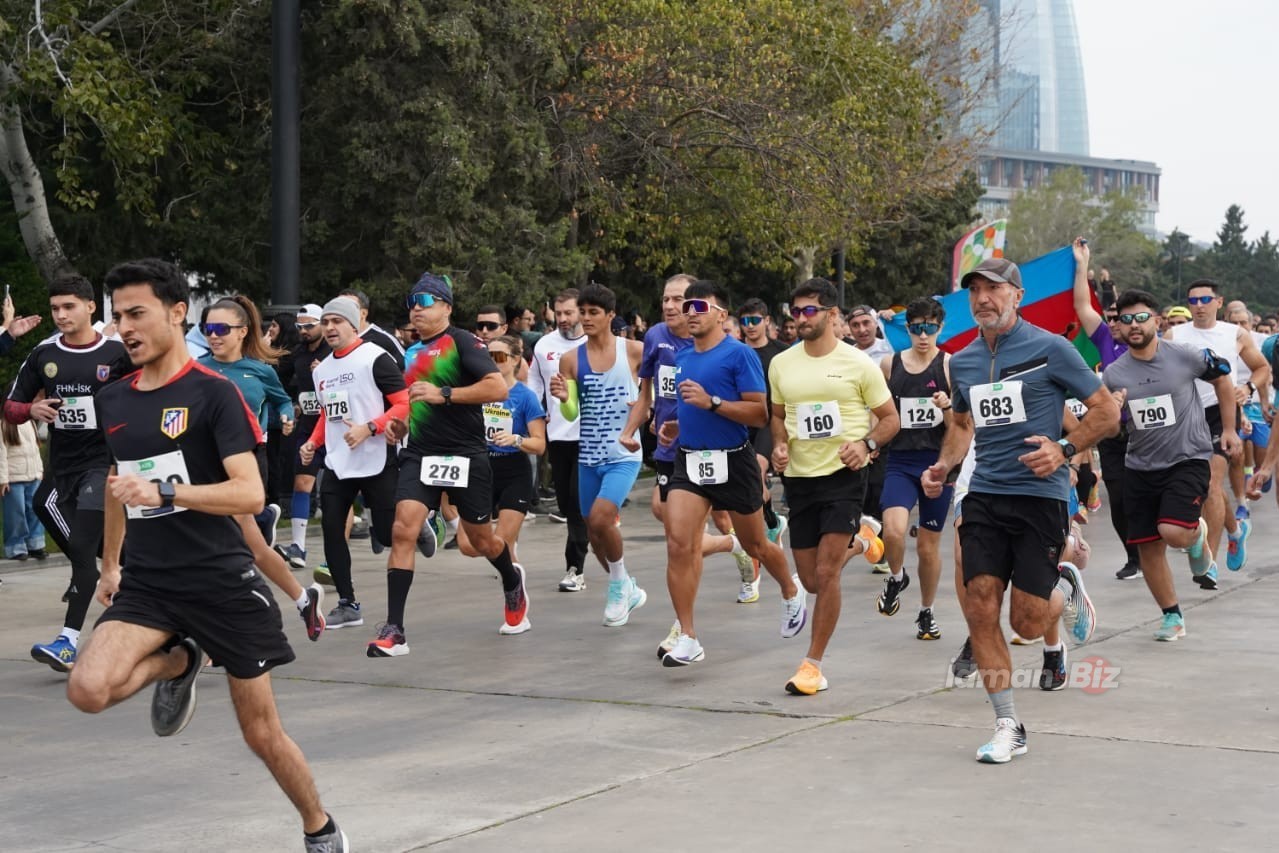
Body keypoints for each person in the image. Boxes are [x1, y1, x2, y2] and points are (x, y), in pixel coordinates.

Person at [65, 258, 349, 851]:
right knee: (86, 689)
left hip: (220, 582)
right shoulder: (113, 399)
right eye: (119, 317)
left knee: (262, 734)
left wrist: (167, 490)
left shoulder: (214, 394)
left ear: (176, 313)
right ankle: (180, 661)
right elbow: (120, 485)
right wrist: (111, 565)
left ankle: (319, 828)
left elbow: (248, 492)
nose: (127, 328)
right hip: (148, 583)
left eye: (138, 313)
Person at [922, 256, 1119, 764]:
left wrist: (1065, 450)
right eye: (975, 291)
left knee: (1028, 623)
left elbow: (1106, 411)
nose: (983, 298)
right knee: (980, 603)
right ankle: (1008, 723)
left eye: (994, 289)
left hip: (1040, 496)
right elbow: (963, 425)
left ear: (1017, 295)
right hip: (985, 494)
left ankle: (1061, 584)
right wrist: (944, 466)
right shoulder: (961, 360)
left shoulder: (1050, 348)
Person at [657, 280, 806, 668]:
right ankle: (688, 636)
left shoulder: (739, 355)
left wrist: (713, 403)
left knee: (756, 544)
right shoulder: (685, 357)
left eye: (699, 306)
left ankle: (791, 590)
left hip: (733, 459)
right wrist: (675, 425)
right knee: (678, 544)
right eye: (686, 305)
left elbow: (758, 414)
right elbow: (690, 407)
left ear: (722, 314)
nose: (690, 312)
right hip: (689, 461)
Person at [374, 273, 522, 655]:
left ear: (446, 307)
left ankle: (510, 578)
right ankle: (394, 630)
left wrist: (445, 393)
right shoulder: (410, 352)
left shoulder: (462, 342)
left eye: (424, 301)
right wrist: (400, 424)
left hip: (464, 455)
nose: (415, 309)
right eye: (411, 301)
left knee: (480, 540)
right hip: (420, 453)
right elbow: (417, 400)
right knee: (403, 528)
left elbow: (498, 388)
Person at [768, 279, 897, 694]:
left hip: (843, 477)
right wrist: (780, 446)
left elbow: (890, 418)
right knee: (810, 580)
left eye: (809, 311)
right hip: (800, 479)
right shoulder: (782, 364)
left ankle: (812, 665)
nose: (800, 318)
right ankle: (862, 541)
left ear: (831, 315)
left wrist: (866, 444)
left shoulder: (859, 364)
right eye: (796, 311)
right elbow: (777, 414)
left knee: (827, 572)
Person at [5, 273, 132, 671]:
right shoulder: (44, 354)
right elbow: (11, 405)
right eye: (55, 308)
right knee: (92, 546)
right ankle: (166, 582)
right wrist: (31, 410)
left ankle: (68, 641)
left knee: (80, 549)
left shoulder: (117, 352)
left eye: (69, 307)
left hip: (103, 465)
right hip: (60, 470)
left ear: (91, 307)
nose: (60, 315)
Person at [1103, 289, 1238, 640]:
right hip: (1140, 465)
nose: (1133, 325)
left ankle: (1196, 537)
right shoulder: (1114, 374)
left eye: (1141, 317)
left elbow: (1223, 377)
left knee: (1173, 532)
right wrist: (1112, 409)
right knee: (1148, 545)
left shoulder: (1184, 355)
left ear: (1156, 320)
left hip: (1188, 458)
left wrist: (1227, 429)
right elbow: (1111, 424)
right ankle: (1171, 616)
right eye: (1125, 319)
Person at [620, 274, 760, 613]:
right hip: (674, 447)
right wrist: (629, 430)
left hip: (716, 445)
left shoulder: (713, 344)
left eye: (680, 300)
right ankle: (687, 618)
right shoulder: (655, 337)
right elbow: (647, 394)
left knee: (707, 527)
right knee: (675, 533)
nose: (672, 307)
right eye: (666, 300)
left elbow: (750, 405)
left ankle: (743, 552)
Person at [198, 296, 325, 642]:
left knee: (224, 551)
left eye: (221, 329)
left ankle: (214, 636)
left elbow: (282, 398)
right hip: (201, 468)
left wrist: (285, 415)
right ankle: (303, 600)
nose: (213, 335)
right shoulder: (195, 368)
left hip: (244, 466)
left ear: (242, 332)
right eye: (207, 329)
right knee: (252, 549)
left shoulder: (259, 370)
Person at [297, 298, 409, 631]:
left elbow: (403, 404)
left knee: (389, 537)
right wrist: (312, 444)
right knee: (332, 530)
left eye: (337, 321)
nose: (330, 328)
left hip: (376, 459)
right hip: (338, 462)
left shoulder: (375, 359)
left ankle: (423, 524)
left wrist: (370, 428)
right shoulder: (323, 369)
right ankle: (348, 603)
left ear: (353, 324)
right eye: (326, 322)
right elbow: (327, 418)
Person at [549, 284, 647, 627]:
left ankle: (619, 585)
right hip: (588, 454)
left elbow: (649, 397)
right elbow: (574, 412)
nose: (586, 319)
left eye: (593, 313)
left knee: (604, 518)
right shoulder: (571, 359)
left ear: (609, 316)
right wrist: (563, 396)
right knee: (593, 532)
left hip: (623, 453)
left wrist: (641, 415)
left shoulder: (634, 351)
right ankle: (625, 584)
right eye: (583, 312)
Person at [1164, 279, 1270, 579]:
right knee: (1201, 486)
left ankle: (1208, 563)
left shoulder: (1235, 333)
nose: (1199, 306)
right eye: (1193, 301)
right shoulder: (1174, 334)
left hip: (1220, 414)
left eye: (1205, 300)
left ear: (1218, 302)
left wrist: (1247, 388)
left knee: (1211, 484)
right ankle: (1236, 531)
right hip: (1184, 415)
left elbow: (1262, 368)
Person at [1067, 237, 1143, 580]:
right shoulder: (1105, 343)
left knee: (1146, 493)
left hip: (1149, 434)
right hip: (1113, 433)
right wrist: (1082, 264)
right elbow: (1083, 307)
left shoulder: (1151, 347)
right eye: (1110, 318)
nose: (1114, 323)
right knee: (1121, 496)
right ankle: (1133, 557)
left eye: (1121, 318)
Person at [877, 296, 952, 640]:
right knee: (892, 531)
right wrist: (872, 441)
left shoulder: (949, 365)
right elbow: (880, 411)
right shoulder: (889, 365)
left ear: (940, 328)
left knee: (927, 546)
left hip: (937, 464)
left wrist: (947, 407)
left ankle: (927, 611)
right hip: (901, 461)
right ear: (907, 329)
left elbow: (962, 424)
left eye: (930, 329)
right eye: (917, 329)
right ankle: (895, 577)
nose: (923, 336)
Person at [451, 335, 545, 595]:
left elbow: (539, 445)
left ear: (515, 360)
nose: (492, 361)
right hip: (479, 469)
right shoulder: (475, 391)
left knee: (503, 542)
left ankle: (515, 599)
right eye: (487, 356)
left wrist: (516, 440)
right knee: (468, 546)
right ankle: (508, 550)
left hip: (514, 470)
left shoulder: (525, 397)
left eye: (499, 356)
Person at [527, 289, 590, 590]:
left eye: (570, 313)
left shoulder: (596, 342)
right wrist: (537, 412)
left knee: (577, 503)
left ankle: (574, 569)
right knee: (566, 503)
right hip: (558, 436)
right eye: (559, 313)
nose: (564, 319)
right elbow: (534, 384)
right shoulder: (543, 346)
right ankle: (598, 527)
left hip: (591, 435)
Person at [275, 305, 332, 569]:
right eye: (300, 327)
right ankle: (298, 547)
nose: (304, 331)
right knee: (302, 483)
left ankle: (369, 523)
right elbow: (281, 383)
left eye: (310, 326)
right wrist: (293, 404)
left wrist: (327, 371)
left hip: (337, 428)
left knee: (341, 489)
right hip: (309, 428)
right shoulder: (297, 355)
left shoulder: (333, 352)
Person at [1, 419, 46, 560]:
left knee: (35, 511)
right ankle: (15, 547)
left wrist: (40, 471)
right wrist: (3, 479)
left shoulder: (30, 422)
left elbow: (35, 449)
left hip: (33, 476)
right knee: (16, 514)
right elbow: (1, 454)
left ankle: (35, 544)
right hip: (13, 479)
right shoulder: (3, 425)